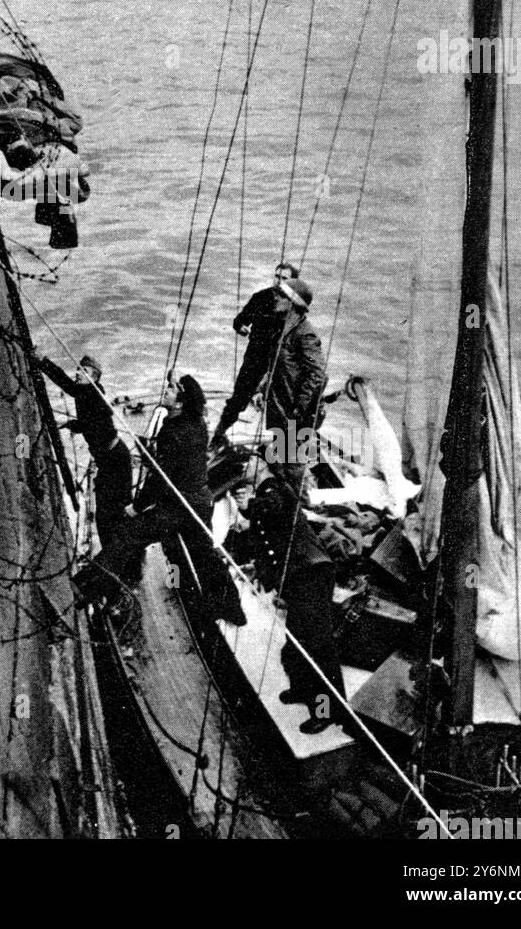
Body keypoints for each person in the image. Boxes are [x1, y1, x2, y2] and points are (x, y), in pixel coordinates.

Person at [74, 374, 247, 626]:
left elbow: (160, 478)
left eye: (172, 389)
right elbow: (175, 465)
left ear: (180, 403)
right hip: (200, 503)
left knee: (127, 534)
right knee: (205, 557)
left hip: (179, 506)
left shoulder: (175, 431)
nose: (166, 390)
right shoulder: (194, 422)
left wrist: (137, 506)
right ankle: (232, 610)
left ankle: (83, 589)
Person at [225, 468, 346, 735]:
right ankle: (303, 690)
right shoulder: (264, 498)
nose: (244, 473)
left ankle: (326, 712)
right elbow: (265, 532)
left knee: (316, 648)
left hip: (311, 575)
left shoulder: (278, 489)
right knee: (295, 643)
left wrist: (251, 505)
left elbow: (275, 506)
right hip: (299, 579)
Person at [212, 275, 327, 465]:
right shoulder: (284, 328)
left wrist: (299, 407)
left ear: (292, 303)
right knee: (282, 457)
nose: (276, 297)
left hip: (294, 411)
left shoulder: (304, 334)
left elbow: (318, 375)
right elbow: (278, 366)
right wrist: (264, 387)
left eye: (282, 295)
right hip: (282, 405)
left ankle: (292, 490)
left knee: (291, 463)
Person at [39, 355, 131, 549]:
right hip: (110, 457)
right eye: (79, 369)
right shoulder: (86, 391)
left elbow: (94, 417)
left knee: (109, 512)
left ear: (95, 378)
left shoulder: (93, 393)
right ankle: (119, 550)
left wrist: (74, 424)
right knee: (112, 509)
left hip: (114, 458)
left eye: (84, 371)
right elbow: (68, 386)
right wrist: (44, 362)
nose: (78, 372)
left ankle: (115, 554)